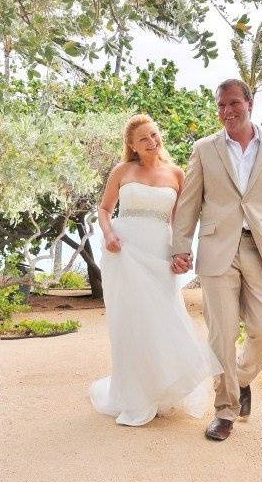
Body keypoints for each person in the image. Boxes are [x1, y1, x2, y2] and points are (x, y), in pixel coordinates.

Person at [171, 79, 262, 441]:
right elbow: (189, 203)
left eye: (233, 104)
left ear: (249, 103)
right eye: (221, 106)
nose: (227, 112)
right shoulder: (204, 149)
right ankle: (225, 410)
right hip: (217, 250)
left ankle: (241, 379)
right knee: (221, 335)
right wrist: (180, 245)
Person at [89, 114, 222, 427]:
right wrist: (108, 235)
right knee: (131, 322)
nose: (152, 141)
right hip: (124, 252)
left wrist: (181, 252)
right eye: (143, 139)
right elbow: (105, 209)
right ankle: (135, 395)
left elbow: (181, 222)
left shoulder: (176, 173)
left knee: (164, 319)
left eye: (154, 134)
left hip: (159, 253)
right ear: (132, 146)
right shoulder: (123, 170)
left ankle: (162, 391)